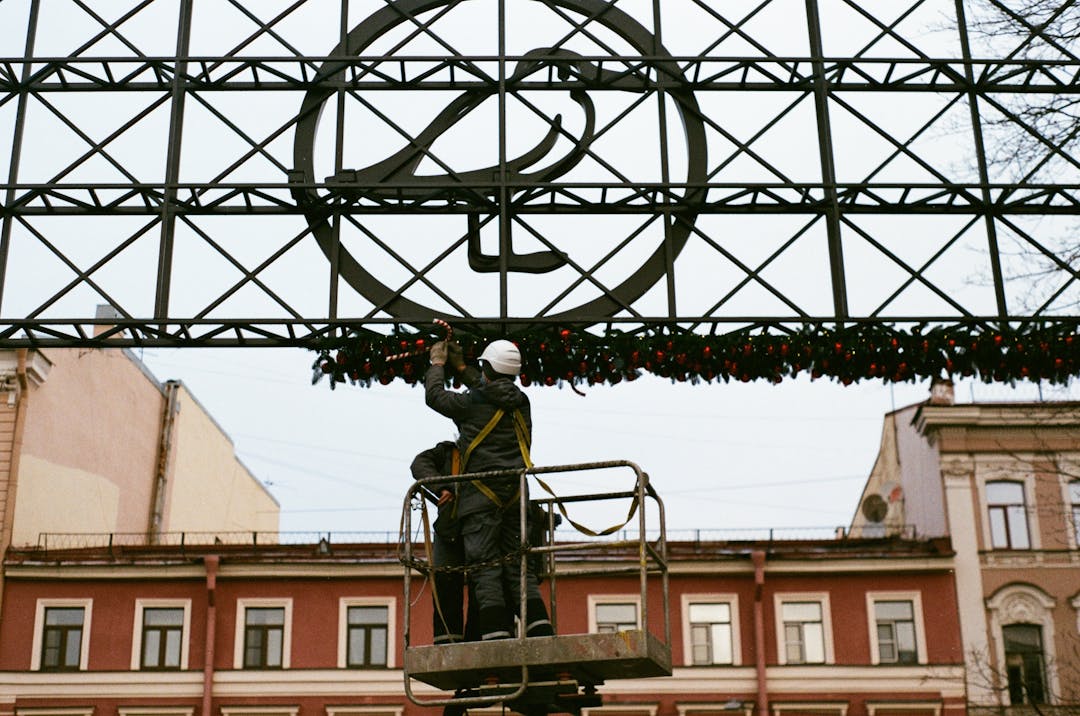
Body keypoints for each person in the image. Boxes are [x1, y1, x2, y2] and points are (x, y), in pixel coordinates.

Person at [425, 338, 553, 640]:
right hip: (516, 498)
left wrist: (438, 365)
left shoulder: (471, 404)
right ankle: (540, 629)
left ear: (486, 368)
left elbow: (435, 397)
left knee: (486, 569)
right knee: (518, 567)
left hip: (480, 500)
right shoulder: (522, 402)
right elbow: (491, 389)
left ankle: (496, 633)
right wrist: (461, 367)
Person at [409, 441, 468, 645]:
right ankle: (447, 641)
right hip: (451, 528)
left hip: (479, 527)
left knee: (485, 585)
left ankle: (476, 639)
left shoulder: (492, 452)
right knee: (446, 582)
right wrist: (443, 487)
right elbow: (419, 464)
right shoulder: (448, 453)